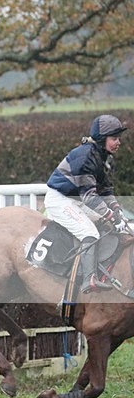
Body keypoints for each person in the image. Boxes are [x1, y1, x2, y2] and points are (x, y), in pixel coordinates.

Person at [45, 114, 128, 293]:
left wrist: (116, 210)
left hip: (77, 200)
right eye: (114, 138)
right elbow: (89, 197)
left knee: (110, 224)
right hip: (60, 200)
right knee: (89, 232)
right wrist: (112, 217)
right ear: (101, 139)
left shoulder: (104, 156)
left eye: (118, 138)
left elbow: (105, 189)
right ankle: (88, 279)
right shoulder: (85, 156)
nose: (118, 142)